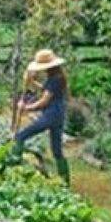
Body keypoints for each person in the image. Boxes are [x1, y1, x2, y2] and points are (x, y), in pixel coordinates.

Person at [13, 49, 70, 186]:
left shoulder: (55, 79)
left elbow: (44, 101)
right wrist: (31, 81)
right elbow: (45, 90)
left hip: (50, 116)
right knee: (57, 151)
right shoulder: (57, 77)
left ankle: (13, 167)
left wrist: (25, 108)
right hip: (58, 116)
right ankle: (65, 182)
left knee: (20, 136)